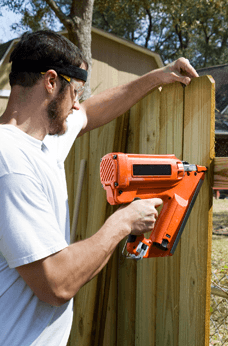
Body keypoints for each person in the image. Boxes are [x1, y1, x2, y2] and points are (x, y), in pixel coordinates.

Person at [0, 30, 199, 346]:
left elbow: (91, 112)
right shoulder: (10, 165)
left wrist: (159, 75)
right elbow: (57, 283)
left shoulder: (43, 143)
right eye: (75, 92)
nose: (77, 105)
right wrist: (124, 222)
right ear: (51, 82)